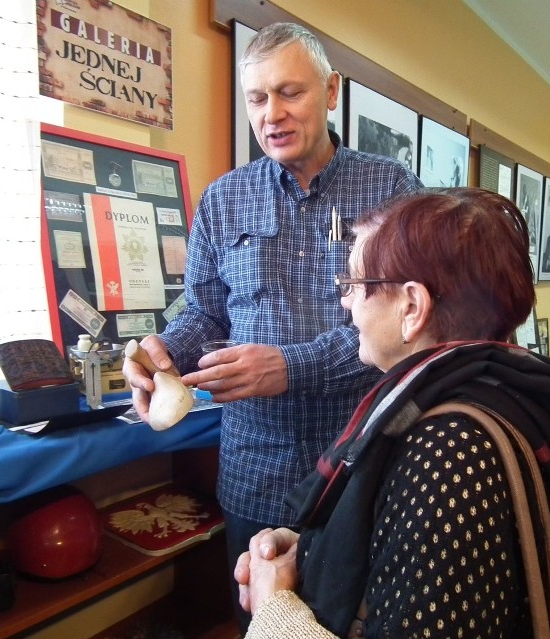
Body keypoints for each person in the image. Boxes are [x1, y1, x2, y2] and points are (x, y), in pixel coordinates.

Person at [121, 22, 422, 632]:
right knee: (264, 626)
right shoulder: (223, 200)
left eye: (291, 93)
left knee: (358, 623)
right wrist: (161, 354)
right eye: (257, 98)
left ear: (331, 91)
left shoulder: (391, 189)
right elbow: (205, 312)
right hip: (255, 470)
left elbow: (408, 325)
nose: (272, 115)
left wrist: (291, 368)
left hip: (363, 463)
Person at [234, 188, 550, 638]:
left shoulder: (449, 450)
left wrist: (275, 607)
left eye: (354, 285)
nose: (346, 301)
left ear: (412, 307)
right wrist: (315, 551)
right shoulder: (462, 399)